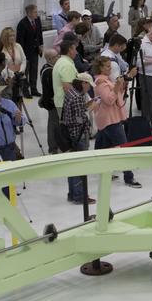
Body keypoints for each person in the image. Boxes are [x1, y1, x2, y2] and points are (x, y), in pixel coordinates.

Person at [92, 56, 141, 187]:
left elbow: (117, 93)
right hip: (109, 119)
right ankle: (129, 177)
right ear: (100, 68)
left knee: (103, 147)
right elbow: (109, 100)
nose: (110, 68)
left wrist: (122, 84)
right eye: (107, 66)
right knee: (123, 148)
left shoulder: (106, 80)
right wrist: (117, 86)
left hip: (109, 118)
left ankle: (103, 169)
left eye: (110, 66)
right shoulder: (101, 83)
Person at [60, 72, 95, 204]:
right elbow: (79, 119)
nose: (89, 88)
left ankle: (72, 194)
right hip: (78, 134)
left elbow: (73, 113)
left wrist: (85, 106)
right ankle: (80, 196)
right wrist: (91, 108)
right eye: (88, 85)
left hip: (71, 134)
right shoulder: (78, 97)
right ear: (83, 83)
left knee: (72, 166)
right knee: (81, 167)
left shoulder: (70, 93)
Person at [16, 4, 44, 97]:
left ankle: (34, 89)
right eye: (35, 12)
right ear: (29, 13)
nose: (37, 13)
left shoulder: (37, 20)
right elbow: (20, 41)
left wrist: (40, 45)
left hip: (35, 51)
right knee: (25, 72)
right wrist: (22, 55)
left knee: (34, 71)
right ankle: (25, 91)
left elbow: (39, 34)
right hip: (26, 52)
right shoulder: (22, 24)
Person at [38, 48, 62, 154]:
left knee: (53, 124)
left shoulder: (46, 68)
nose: (58, 58)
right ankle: (53, 148)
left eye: (58, 55)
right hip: (52, 103)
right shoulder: (50, 72)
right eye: (55, 57)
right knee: (53, 125)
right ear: (49, 59)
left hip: (50, 101)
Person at [52, 33, 81, 106]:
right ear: (70, 50)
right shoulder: (66, 65)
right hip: (67, 106)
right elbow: (68, 87)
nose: (76, 52)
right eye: (75, 49)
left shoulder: (62, 61)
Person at [0, 27, 27, 97]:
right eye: (10, 36)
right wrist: (12, 75)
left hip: (20, 76)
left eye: (13, 35)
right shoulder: (1, 49)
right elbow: (2, 66)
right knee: (10, 97)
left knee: (20, 97)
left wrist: (21, 71)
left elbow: (24, 60)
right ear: (5, 37)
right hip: (8, 78)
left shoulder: (18, 46)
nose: (12, 37)